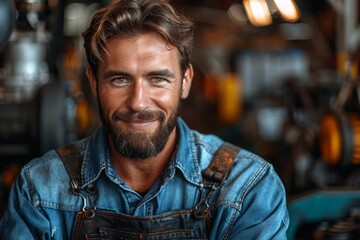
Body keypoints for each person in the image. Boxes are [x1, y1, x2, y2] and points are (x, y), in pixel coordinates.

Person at [0, 0, 289, 239]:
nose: (138, 102)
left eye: (158, 79)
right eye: (119, 79)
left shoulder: (247, 188)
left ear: (185, 82)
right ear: (93, 82)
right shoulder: (40, 191)